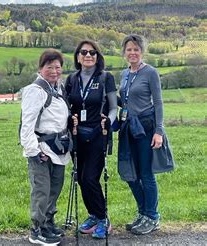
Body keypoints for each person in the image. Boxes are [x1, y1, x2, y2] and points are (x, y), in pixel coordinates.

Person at [118, 34, 173, 235]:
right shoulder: (124, 74)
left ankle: (152, 216)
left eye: (136, 49)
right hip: (129, 129)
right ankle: (142, 213)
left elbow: (158, 103)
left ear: (142, 52)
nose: (132, 53)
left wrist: (159, 131)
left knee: (145, 174)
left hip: (146, 128)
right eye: (129, 49)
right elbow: (123, 100)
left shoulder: (150, 72)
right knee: (130, 173)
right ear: (124, 52)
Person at [65, 40, 117, 239]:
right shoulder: (71, 79)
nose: (88, 55)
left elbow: (113, 107)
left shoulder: (105, 78)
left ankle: (104, 218)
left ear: (98, 56)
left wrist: (108, 122)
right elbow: (67, 107)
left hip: (98, 134)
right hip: (77, 134)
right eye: (84, 52)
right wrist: (71, 119)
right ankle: (94, 215)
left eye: (93, 52)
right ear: (78, 56)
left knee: (90, 178)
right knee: (80, 177)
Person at [20, 48, 71, 246]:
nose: (54, 71)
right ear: (41, 68)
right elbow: (27, 124)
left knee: (54, 189)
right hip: (42, 149)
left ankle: (48, 223)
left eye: (58, 67)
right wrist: (34, 152)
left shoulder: (58, 89)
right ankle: (36, 229)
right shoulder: (35, 90)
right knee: (41, 190)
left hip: (58, 148)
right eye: (49, 67)